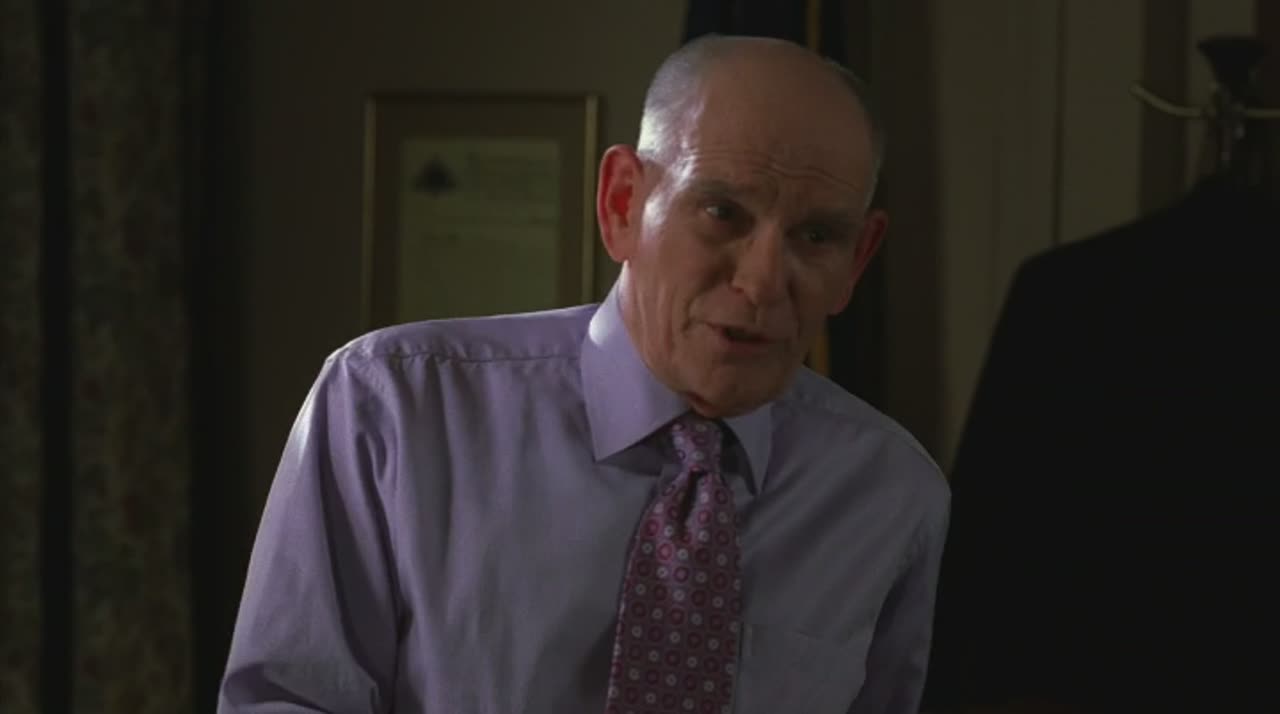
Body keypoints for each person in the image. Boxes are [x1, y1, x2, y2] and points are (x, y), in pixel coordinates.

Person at [218, 34, 949, 714]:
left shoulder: (890, 495)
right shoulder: (393, 407)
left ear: (857, 260)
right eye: (722, 212)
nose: (762, 281)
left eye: (816, 236)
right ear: (622, 203)